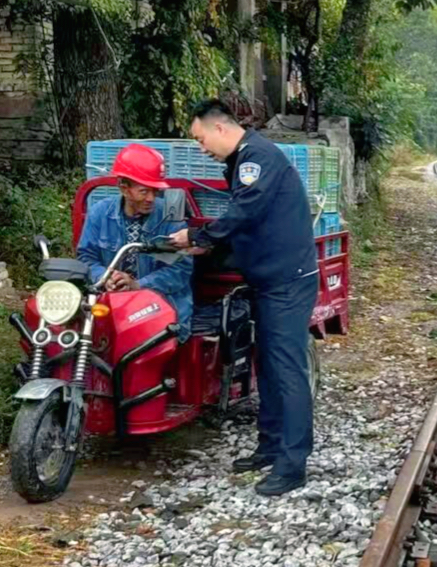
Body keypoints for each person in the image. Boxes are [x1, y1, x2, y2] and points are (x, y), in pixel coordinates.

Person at [169, 99, 319, 497]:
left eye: (200, 139)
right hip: (269, 280)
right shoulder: (241, 160)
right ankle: (270, 446)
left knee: (287, 370)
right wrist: (209, 246)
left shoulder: (257, 158)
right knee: (267, 366)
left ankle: (293, 464)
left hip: (288, 281)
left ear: (219, 128)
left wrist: (200, 236)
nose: (201, 148)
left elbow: (246, 211)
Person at [77, 143, 194, 337]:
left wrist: (138, 285)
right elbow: (86, 258)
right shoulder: (99, 213)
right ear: (124, 189)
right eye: (144, 191)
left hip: (160, 304)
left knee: (152, 341)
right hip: (110, 300)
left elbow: (180, 270)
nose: (151, 198)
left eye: (155, 191)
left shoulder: (170, 217)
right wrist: (105, 278)